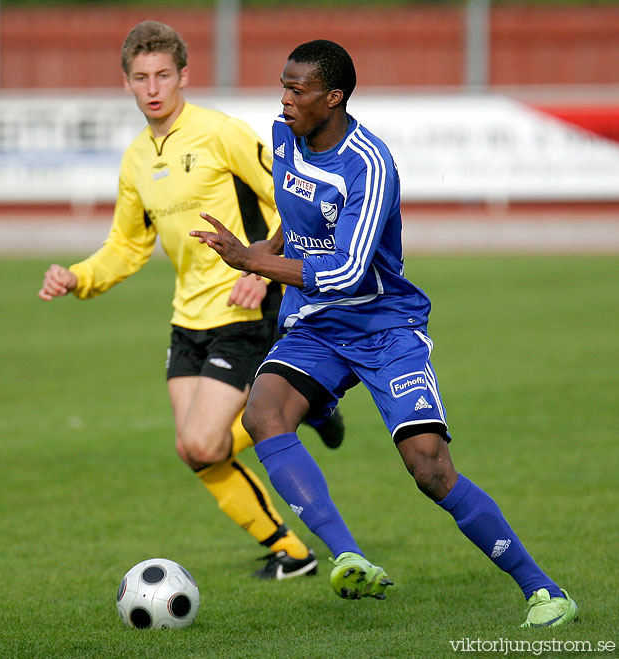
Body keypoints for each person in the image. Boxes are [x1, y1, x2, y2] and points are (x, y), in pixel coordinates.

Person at [191, 39, 578, 626]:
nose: (285, 99)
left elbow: (345, 271)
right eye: (283, 86)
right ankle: (348, 555)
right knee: (263, 413)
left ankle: (544, 590)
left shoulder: (369, 165)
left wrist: (250, 263)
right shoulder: (283, 134)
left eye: (298, 90)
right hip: (316, 325)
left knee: (430, 468)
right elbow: (290, 222)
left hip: (381, 325)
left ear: (334, 97)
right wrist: (265, 250)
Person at [37, 21, 345, 580]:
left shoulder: (219, 133)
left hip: (244, 307)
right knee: (196, 451)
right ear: (127, 83)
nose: (153, 87)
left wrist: (263, 267)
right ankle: (290, 552)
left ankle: (301, 405)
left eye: (162, 75)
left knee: (205, 439)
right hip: (188, 319)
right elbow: (127, 246)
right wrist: (78, 277)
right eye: (140, 78)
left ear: (183, 75)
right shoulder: (136, 159)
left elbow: (293, 194)